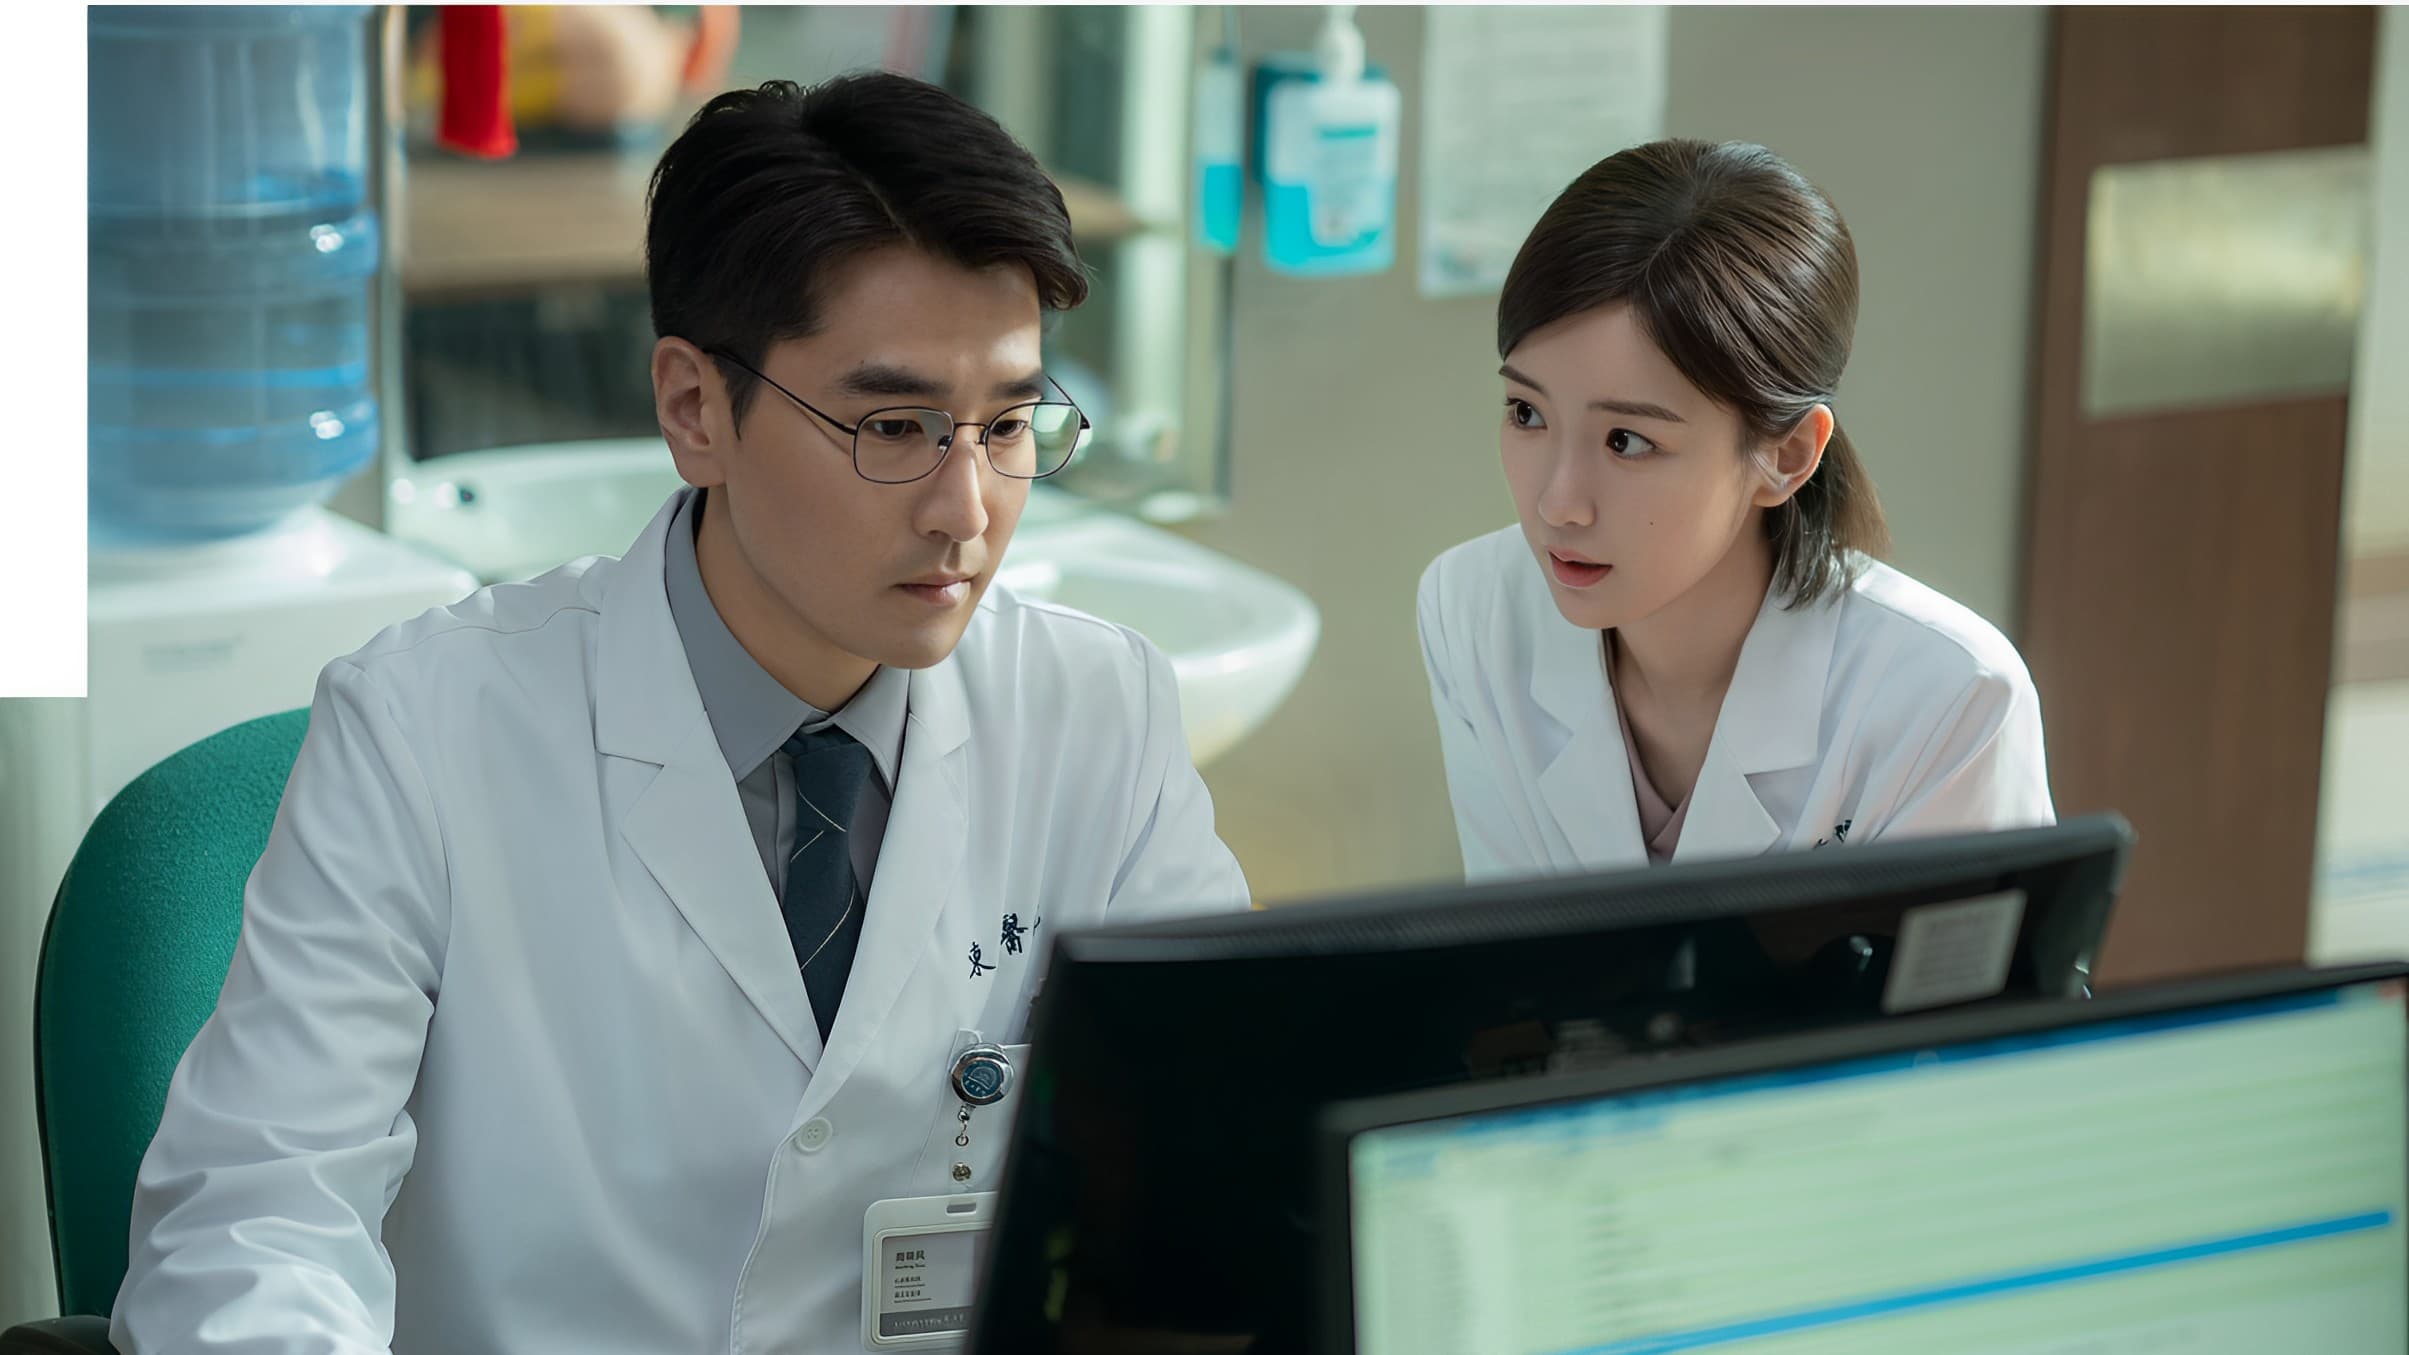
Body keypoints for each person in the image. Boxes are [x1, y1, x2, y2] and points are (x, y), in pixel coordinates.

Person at [112, 73, 1250, 1354]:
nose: (966, 509)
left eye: (1007, 425)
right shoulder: (423, 727)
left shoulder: (1100, 713)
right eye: (895, 426)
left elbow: (1227, 1164)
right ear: (695, 408)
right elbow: (256, 1227)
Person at [1417, 138, 2052, 882]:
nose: (1558, 502)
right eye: (1526, 413)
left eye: (1627, 440)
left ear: (1786, 455)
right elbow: (1513, 942)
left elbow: (1966, 964)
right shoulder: (1472, 609)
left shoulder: (1949, 698)